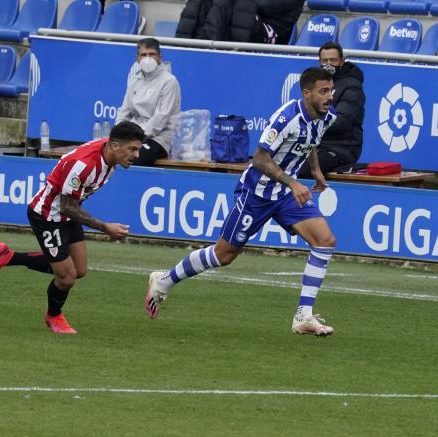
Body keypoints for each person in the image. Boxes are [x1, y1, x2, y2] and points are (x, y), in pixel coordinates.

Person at [145, 67, 338, 336]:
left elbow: (310, 142)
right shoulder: (285, 119)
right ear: (307, 93)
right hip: (257, 193)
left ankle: (303, 316)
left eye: (331, 90)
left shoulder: (326, 116)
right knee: (223, 255)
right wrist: (293, 182)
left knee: (325, 241)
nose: (330, 96)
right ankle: (164, 280)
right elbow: (259, 159)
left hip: (284, 195)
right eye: (323, 91)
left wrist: (315, 170)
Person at [0, 122, 146, 334]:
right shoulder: (84, 166)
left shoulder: (108, 153)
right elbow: (66, 205)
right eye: (133, 149)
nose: (136, 155)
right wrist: (105, 227)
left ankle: (8, 256)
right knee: (67, 277)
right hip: (48, 216)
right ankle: (54, 316)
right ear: (115, 146)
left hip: (69, 213)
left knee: (79, 270)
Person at [298, 42, 365, 179]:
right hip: (315, 145)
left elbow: (341, 122)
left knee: (304, 169)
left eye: (333, 60)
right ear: (319, 62)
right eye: (325, 60)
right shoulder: (315, 84)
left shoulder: (352, 86)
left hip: (341, 149)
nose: (328, 64)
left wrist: (312, 120)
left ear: (342, 61)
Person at [116, 38, 181, 166]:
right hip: (132, 137)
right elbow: (124, 110)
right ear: (137, 58)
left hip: (158, 139)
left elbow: (160, 119)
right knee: (108, 152)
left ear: (159, 57)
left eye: (152, 54)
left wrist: (135, 139)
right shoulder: (135, 80)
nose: (148, 58)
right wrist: (118, 134)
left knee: (134, 158)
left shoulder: (169, 81)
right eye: (143, 55)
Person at [176, 0, 304, 45]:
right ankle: (186, 45)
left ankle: (213, 44)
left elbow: (264, 5)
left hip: (272, 31)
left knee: (240, 5)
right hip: (245, 21)